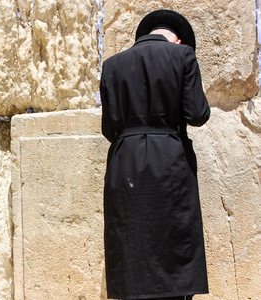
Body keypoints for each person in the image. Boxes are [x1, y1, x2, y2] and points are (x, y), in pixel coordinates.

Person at [100, 10, 210, 300]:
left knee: (130, 246)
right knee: (173, 246)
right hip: (169, 161)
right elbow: (197, 114)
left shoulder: (112, 65)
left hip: (125, 164)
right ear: (178, 40)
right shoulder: (182, 55)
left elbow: (109, 127)